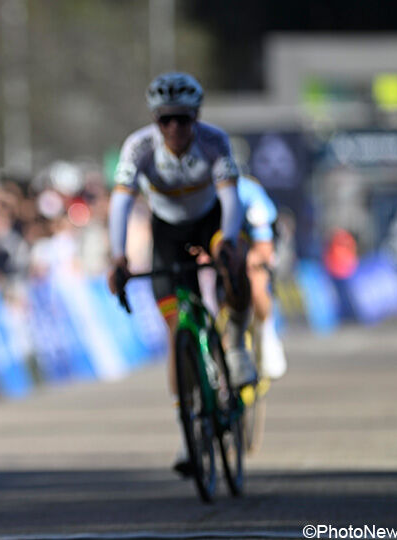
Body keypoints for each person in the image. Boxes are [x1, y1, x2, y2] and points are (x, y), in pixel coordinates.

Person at [107, 72, 256, 477]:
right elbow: (120, 204)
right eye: (165, 120)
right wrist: (118, 256)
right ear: (156, 121)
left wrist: (225, 241)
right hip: (167, 232)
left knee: (237, 261)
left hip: (211, 222)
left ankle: (238, 344)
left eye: (183, 120)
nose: (174, 128)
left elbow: (230, 197)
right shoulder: (138, 147)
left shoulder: (214, 141)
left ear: (196, 118)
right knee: (177, 332)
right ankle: (187, 427)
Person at [237, 175, 286, 379]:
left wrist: (257, 258)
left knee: (256, 282)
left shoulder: (249, 195)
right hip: (229, 237)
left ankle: (266, 330)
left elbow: (263, 247)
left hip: (258, 234)